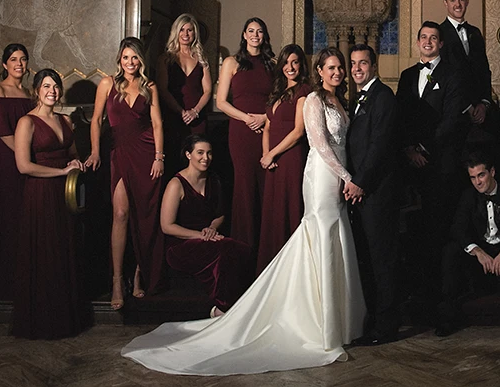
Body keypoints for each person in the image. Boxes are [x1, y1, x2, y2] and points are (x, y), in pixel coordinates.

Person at [122, 47, 365, 375]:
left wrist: (348, 176)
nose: (337, 72)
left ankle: (338, 317)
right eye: (330, 67)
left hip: (339, 175)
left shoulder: (341, 101)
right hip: (323, 175)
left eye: (340, 67)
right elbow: (319, 143)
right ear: (319, 71)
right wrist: (346, 176)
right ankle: (315, 318)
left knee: (337, 237)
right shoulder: (312, 99)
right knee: (319, 233)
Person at [86, 37, 165, 310]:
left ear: (141, 60)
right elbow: (96, 120)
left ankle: (139, 274)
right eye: (125, 57)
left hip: (146, 154)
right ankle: (117, 280)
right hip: (118, 153)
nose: (130, 62)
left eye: (135, 57)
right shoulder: (107, 84)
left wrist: (159, 157)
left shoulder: (149, 86)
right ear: (119, 59)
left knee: (144, 217)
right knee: (120, 214)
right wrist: (95, 151)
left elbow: (157, 123)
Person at [11, 68, 86, 339]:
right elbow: (23, 166)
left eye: (55, 86)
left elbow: (73, 154)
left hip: (65, 193)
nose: (52, 91)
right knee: (45, 252)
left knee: (63, 250)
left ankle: (64, 320)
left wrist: (75, 163)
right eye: (46, 86)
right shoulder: (26, 122)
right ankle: (42, 322)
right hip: (40, 192)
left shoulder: (65, 120)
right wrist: (61, 172)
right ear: (36, 91)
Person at [396, 21, 466, 294]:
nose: (428, 42)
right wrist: (408, 149)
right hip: (410, 164)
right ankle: (415, 291)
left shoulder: (453, 75)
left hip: (440, 163)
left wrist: (423, 149)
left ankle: (441, 293)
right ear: (417, 42)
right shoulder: (406, 76)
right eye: (423, 37)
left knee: (438, 228)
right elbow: (399, 117)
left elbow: (451, 119)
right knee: (413, 230)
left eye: (433, 38)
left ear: (441, 43)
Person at [436, 152, 500, 338]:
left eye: (481, 175)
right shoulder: (468, 196)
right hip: (483, 252)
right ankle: (447, 318)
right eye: (472, 177)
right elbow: (457, 228)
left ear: (492, 172)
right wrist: (477, 251)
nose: (477, 182)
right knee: (451, 250)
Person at [346, 43, 401, 346]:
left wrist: (360, 182)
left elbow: (379, 145)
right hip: (360, 194)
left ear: (374, 66)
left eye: (363, 63)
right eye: (353, 63)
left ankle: (386, 327)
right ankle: (371, 323)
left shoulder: (383, 97)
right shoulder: (358, 98)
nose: (357, 68)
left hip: (377, 193)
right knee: (367, 259)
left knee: (382, 259)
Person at [162, 134, 253, 317]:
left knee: (241, 249)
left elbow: (220, 215)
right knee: (227, 249)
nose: (206, 158)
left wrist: (212, 228)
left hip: (208, 238)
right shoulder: (176, 184)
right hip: (180, 245)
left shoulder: (214, 179)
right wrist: (200, 235)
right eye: (200, 153)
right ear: (188, 154)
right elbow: (167, 226)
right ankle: (222, 308)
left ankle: (235, 307)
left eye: (209, 153)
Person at [0, 43, 35, 301]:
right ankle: (6, 286)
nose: (19, 64)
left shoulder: (29, 93)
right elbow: (2, 131)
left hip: (28, 161)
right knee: (9, 220)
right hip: (7, 160)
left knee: (29, 220)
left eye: (23, 59)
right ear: (4, 64)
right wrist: (25, 156)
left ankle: (29, 282)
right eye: (13, 59)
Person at [216, 17, 273, 251]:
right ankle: (244, 247)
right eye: (251, 31)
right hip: (241, 132)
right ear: (244, 35)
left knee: (266, 185)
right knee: (245, 186)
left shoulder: (273, 63)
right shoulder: (232, 62)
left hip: (267, 130)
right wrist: (247, 118)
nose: (255, 35)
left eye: (259, 31)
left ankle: (267, 246)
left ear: (264, 35)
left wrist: (264, 118)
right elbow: (221, 102)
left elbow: (279, 99)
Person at [256, 43, 312, 273]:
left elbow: (299, 131)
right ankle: (271, 268)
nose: (290, 67)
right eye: (286, 62)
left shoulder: (304, 91)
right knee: (273, 210)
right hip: (273, 161)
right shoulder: (277, 91)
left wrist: (272, 153)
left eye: (295, 62)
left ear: (301, 65)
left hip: (291, 158)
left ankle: (291, 270)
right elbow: (268, 127)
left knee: (289, 207)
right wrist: (265, 155)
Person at [156, 14, 212, 168]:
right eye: (182, 30)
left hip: (197, 117)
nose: (185, 34)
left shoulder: (202, 58)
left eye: (190, 30)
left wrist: (195, 111)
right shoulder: (165, 59)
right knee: (174, 158)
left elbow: (208, 90)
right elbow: (162, 89)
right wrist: (181, 112)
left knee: (199, 159)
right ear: (176, 32)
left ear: (195, 33)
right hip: (173, 115)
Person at [438, 0, 494, 130]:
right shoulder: (439, 34)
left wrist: (484, 103)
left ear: (467, 1)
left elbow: (484, 70)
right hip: (453, 109)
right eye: (453, 0)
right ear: (445, 3)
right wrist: (467, 107)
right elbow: (443, 75)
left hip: (480, 107)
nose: (458, 4)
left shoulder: (475, 32)